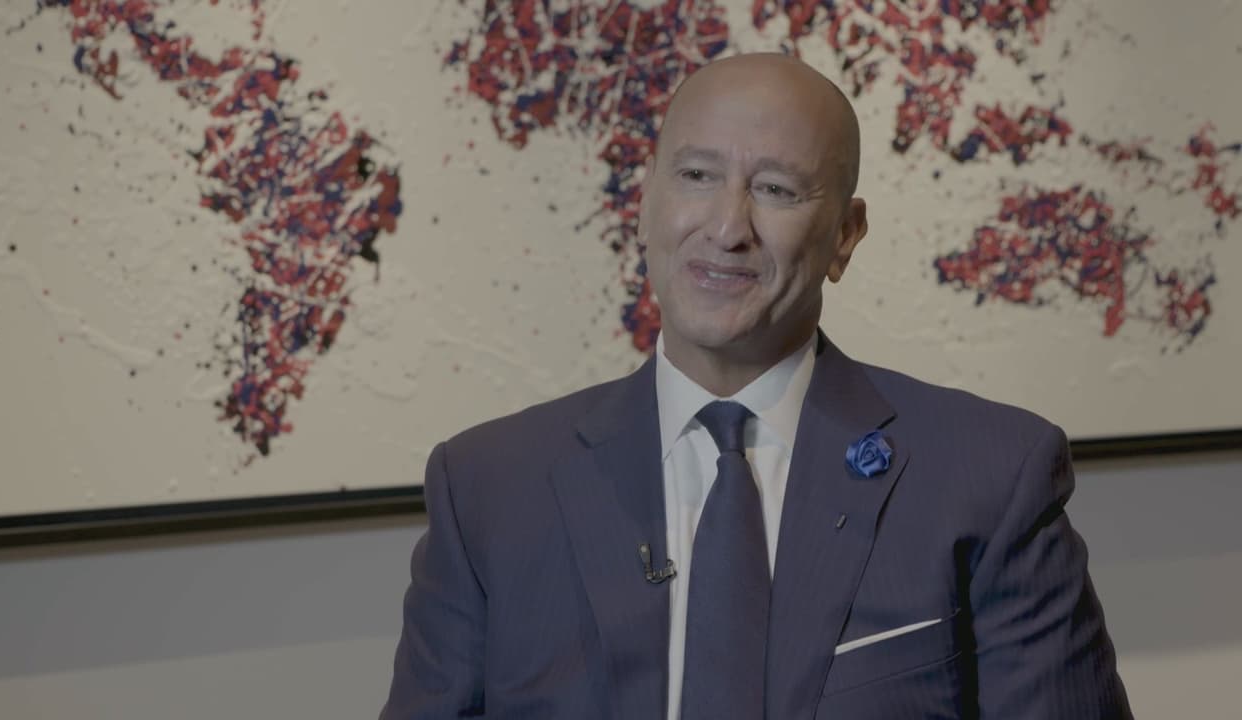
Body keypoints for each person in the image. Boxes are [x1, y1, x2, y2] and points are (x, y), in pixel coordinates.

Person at [381, 53, 1132, 719]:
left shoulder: (991, 478)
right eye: (696, 176)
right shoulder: (488, 488)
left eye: (775, 189)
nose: (726, 228)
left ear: (845, 235)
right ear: (644, 202)